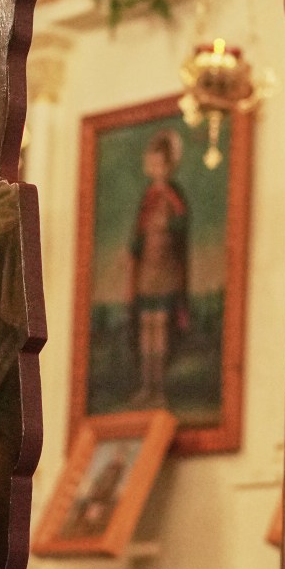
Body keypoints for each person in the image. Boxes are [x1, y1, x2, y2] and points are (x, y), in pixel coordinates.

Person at [128, 129, 191, 407]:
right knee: (146, 328)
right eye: (150, 162)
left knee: (161, 327)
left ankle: (160, 388)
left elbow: (180, 226)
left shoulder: (174, 196)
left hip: (167, 270)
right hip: (147, 272)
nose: (153, 168)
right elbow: (138, 233)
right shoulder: (148, 197)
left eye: (158, 163)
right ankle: (146, 385)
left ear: (168, 165)